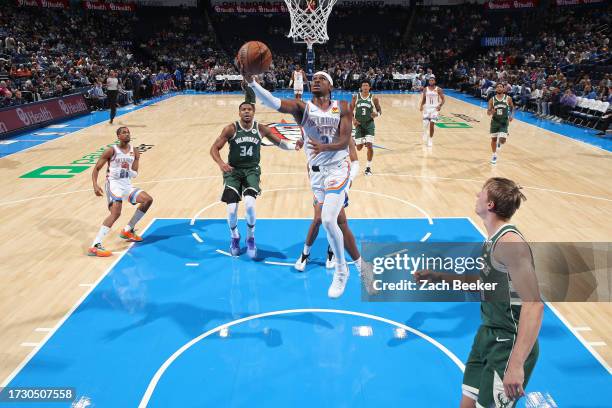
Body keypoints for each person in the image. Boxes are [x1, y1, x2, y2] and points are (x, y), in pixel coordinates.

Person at [415, 177, 542, 408]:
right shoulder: (493, 240)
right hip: (488, 335)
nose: (476, 195)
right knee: (466, 402)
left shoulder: (511, 244)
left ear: (490, 204)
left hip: (508, 344)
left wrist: (515, 364)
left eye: (481, 193)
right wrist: (439, 278)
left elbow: (534, 304)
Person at [245, 69, 361, 298]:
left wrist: (325, 148)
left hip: (339, 169)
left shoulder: (344, 106)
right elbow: (274, 101)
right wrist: (252, 83)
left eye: (322, 79)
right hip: (317, 176)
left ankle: (341, 270)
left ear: (330, 86)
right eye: (314, 79)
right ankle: (359, 264)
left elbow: (345, 141)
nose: (316, 81)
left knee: (326, 219)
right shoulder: (303, 108)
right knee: (338, 221)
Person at [210, 102, 297, 259]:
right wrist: (221, 164)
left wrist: (294, 146)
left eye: (249, 109)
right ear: (239, 113)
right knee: (231, 210)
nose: (246, 112)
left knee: (250, 205)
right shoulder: (231, 129)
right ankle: (235, 236)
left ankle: (250, 238)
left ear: (254, 112)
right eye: (243, 109)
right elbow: (214, 149)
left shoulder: (261, 128)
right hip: (233, 171)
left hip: (251, 171)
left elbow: (279, 143)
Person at [294, 137, 361, 271]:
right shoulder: (313, 131)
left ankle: (332, 253)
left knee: (338, 220)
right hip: (317, 178)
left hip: (336, 177)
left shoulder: (345, 135)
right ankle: (305, 253)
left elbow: (355, 162)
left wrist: (348, 184)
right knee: (318, 219)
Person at [89, 127, 154, 257]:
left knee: (148, 199)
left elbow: (135, 173)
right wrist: (95, 185)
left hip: (126, 185)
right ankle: (95, 245)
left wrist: (129, 171)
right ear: (118, 136)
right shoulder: (111, 150)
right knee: (116, 213)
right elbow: (96, 168)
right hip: (113, 184)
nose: (127, 134)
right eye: (124, 132)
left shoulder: (135, 151)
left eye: (128, 132)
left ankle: (128, 230)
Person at [351, 81, 382, 176]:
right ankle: (356, 137)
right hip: (359, 125)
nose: (365, 87)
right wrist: (353, 120)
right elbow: (350, 110)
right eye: (363, 85)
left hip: (369, 124)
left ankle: (368, 167)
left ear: (369, 87)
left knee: (370, 146)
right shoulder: (356, 97)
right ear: (361, 87)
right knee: (359, 148)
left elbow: (380, 110)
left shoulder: (374, 98)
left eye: (367, 85)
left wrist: (377, 114)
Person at [488, 83, 514, 164]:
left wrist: (511, 115)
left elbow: (512, 107)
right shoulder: (492, 99)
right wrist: (491, 111)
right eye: (497, 87)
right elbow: (488, 112)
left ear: (503, 89)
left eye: (501, 87)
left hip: (504, 121)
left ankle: (500, 142)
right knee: (493, 140)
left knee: (502, 140)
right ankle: (494, 155)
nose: (499, 88)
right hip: (495, 121)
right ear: (496, 89)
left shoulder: (508, 98)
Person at [419, 75, 444, 147]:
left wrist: (440, 105)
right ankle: (424, 132)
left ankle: (430, 139)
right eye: (430, 80)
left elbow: (443, 99)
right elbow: (424, 99)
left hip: (434, 109)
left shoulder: (438, 89)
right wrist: (421, 105)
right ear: (428, 81)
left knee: (432, 124)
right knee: (425, 125)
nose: (431, 81)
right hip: (427, 108)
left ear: (435, 81)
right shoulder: (425, 89)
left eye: (432, 80)